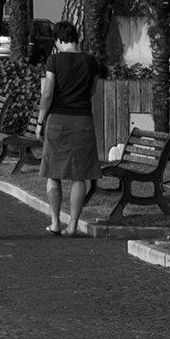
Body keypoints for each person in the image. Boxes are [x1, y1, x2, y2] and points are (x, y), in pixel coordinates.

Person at [37, 19, 103, 236]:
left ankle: (55, 221)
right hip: (83, 121)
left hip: (58, 120)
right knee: (79, 175)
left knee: (53, 173)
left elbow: (47, 94)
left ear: (58, 40)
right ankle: (73, 225)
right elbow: (92, 91)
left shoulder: (54, 60)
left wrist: (40, 121)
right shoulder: (91, 61)